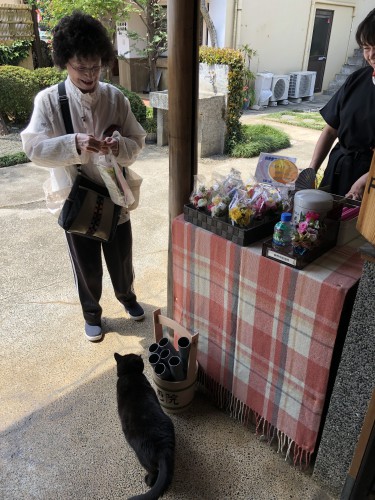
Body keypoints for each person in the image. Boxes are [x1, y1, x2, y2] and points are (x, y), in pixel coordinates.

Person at [21, 12, 146, 342]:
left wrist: (119, 146)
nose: (90, 74)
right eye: (81, 67)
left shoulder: (115, 97)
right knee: (86, 263)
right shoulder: (49, 100)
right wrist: (73, 144)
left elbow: (138, 141)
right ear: (65, 63)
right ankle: (92, 314)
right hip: (76, 196)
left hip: (115, 194)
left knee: (121, 257)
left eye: (95, 67)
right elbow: (34, 149)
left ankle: (128, 298)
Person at [309, 8, 375, 199]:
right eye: (366, 47)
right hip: (338, 169)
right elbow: (330, 130)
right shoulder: (357, 80)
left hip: (369, 183)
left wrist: (366, 179)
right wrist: (312, 169)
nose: (371, 55)